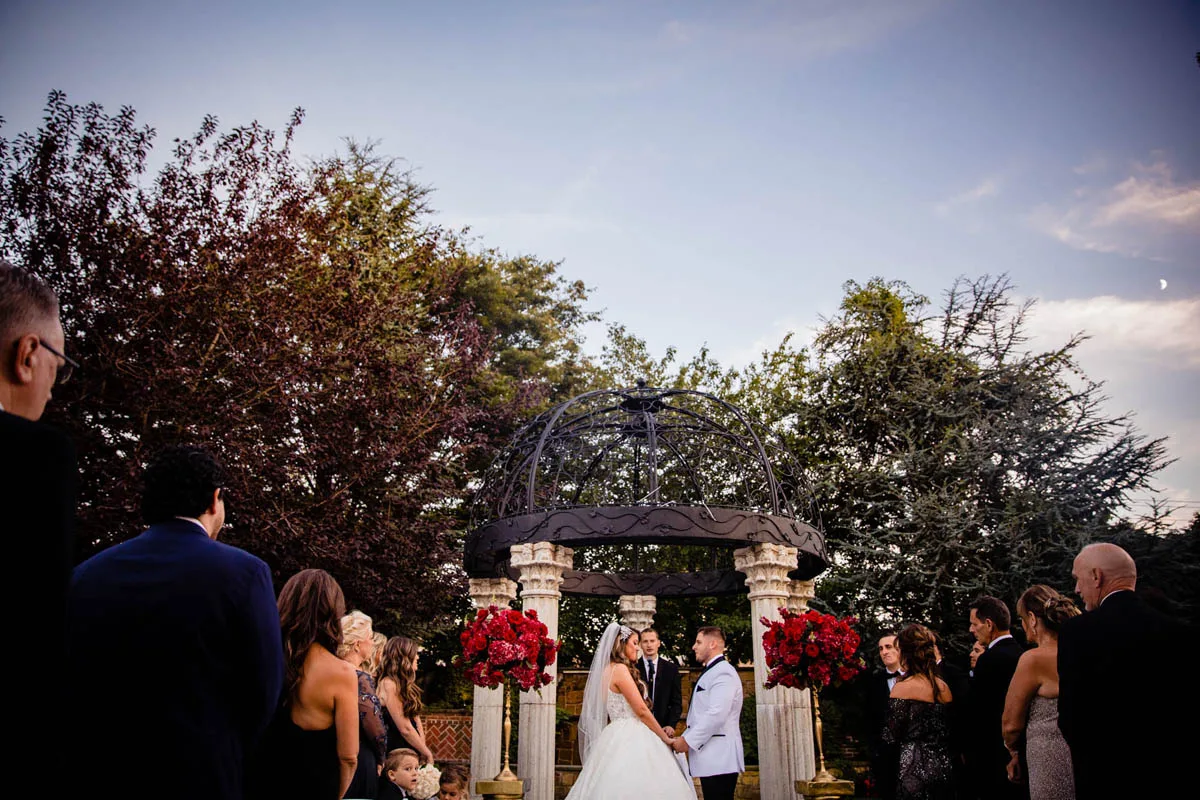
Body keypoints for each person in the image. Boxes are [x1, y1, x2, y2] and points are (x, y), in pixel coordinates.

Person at [67, 445, 283, 800]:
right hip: (200, 771)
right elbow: (263, 687)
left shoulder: (87, 575)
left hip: (99, 769)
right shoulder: (244, 573)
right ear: (214, 500)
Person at [1, 261, 79, 784]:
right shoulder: (32, 457)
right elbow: (31, 646)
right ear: (28, 355)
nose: (53, 391)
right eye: (59, 366)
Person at [1057, 543, 1189, 800]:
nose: (1076, 589)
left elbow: (1072, 716)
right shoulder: (1180, 632)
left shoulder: (1078, 631)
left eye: (1077, 579)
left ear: (1096, 576)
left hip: (1105, 775)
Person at [247, 569, 360, 800]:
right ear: (333, 612)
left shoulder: (258, 656)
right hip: (314, 787)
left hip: (258, 782)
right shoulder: (341, 673)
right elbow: (348, 757)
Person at [569, 622, 695, 800]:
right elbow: (641, 710)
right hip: (631, 734)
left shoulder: (607, 670)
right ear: (622, 643)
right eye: (635, 643)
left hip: (613, 733)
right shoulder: (619, 669)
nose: (638, 648)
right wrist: (664, 738)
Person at [1001, 586, 1078, 800]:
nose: (1023, 625)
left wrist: (1013, 751)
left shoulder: (1033, 659)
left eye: (1023, 619)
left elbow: (1011, 724)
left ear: (1033, 619)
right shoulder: (1080, 652)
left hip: (1048, 757)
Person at [671, 625, 745, 800]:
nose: (693, 647)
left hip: (720, 759)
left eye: (698, 642)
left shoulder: (723, 673)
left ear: (712, 644)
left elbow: (716, 714)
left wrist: (687, 741)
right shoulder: (713, 671)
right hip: (712, 758)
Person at [884, 624, 956, 800]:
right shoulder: (943, 687)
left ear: (906, 653)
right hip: (944, 768)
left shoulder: (902, 688)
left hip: (913, 770)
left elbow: (890, 736)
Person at [965, 596, 1023, 800]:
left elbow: (980, 713)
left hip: (993, 754)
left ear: (989, 624)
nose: (971, 630)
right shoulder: (1021, 654)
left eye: (974, 624)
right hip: (1020, 750)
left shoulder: (989, 660)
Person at [340, 610, 388, 798]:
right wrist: (381, 755)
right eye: (370, 638)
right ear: (358, 644)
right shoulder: (359, 678)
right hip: (359, 757)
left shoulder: (332, 671)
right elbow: (373, 725)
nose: (373, 643)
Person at [377, 636, 436, 765]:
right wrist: (427, 753)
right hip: (396, 754)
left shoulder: (405, 685)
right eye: (415, 654)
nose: (417, 657)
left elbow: (416, 720)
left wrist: (420, 748)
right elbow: (405, 728)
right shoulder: (389, 684)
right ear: (404, 658)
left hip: (410, 750)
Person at [866, 632, 903, 800]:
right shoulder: (874, 682)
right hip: (885, 756)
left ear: (900, 649)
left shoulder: (916, 677)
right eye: (881, 649)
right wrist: (875, 751)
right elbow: (870, 719)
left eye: (888, 647)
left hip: (913, 752)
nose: (884, 652)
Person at [638, 627, 684, 734]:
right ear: (640, 644)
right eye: (645, 641)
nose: (649, 645)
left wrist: (671, 725)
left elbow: (676, 702)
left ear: (658, 643)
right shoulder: (633, 668)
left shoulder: (671, 669)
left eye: (652, 641)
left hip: (663, 728)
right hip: (639, 727)